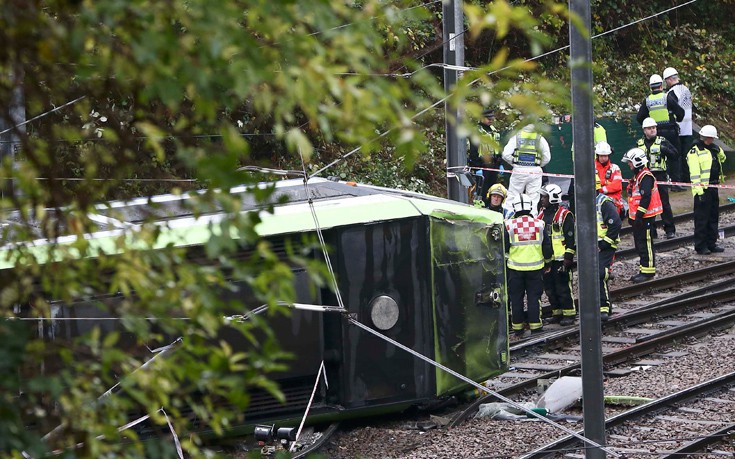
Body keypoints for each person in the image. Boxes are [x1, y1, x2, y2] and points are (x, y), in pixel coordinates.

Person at [504, 193, 552, 336]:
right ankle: (536, 326)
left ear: (514, 207)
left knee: (516, 299)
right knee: (534, 297)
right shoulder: (539, 224)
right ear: (531, 207)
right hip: (535, 268)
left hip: (515, 268)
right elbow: (547, 247)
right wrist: (548, 262)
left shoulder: (508, 225)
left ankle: (518, 328)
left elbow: (504, 247)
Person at [636, 74, 685, 186]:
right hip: (670, 131)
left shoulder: (647, 101)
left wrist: (649, 126)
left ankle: (661, 182)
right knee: (674, 156)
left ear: (650, 87)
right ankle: (676, 184)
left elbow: (639, 118)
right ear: (661, 86)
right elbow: (680, 112)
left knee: (657, 158)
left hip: (655, 133)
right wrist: (677, 119)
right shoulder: (667, 97)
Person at [538, 184, 576, 326]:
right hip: (548, 259)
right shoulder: (541, 214)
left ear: (552, 198)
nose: (542, 199)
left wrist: (568, 257)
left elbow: (571, 238)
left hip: (561, 259)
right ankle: (557, 313)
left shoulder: (564, 215)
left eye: (545, 197)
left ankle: (569, 313)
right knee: (550, 287)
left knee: (563, 287)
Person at [623, 148, 663, 283]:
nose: (629, 165)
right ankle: (643, 269)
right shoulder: (638, 176)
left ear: (637, 161)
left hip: (645, 217)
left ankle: (648, 271)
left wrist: (639, 215)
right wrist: (632, 216)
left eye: (630, 162)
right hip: (640, 217)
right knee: (640, 244)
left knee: (646, 244)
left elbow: (646, 198)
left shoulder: (645, 177)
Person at [687, 125, 726, 255]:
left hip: (713, 187)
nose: (713, 141)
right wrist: (699, 192)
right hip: (703, 190)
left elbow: (723, 159)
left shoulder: (713, 149)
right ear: (706, 138)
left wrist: (718, 150)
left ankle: (711, 243)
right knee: (702, 219)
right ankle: (700, 245)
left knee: (713, 217)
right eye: (712, 138)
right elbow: (694, 174)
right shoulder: (695, 152)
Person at [637, 117, 679, 239]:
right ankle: (651, 230)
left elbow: (675, 155)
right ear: (644, 130)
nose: (652, 130)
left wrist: (665, 150)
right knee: (648, 203)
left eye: (654, 128)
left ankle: (670, 229)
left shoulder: (662, 141)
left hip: (659, 175)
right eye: (650, 128)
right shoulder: (639, 144)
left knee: (664, 203)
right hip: (645, 176)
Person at [501, 124, 551, 215]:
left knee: (513, 196)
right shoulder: (540, 139)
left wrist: (515, 163)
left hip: (519, 171)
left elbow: (505, 154)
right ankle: (532, 220)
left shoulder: (517, 137)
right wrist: (538, 165)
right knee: (533, 199)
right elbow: (547, 157)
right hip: (535, 172)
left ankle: (508, 219)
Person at [595, 174, 622, 322]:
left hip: (605, 245)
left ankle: (604, 307)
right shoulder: (583, 202)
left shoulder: (604, 202)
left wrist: (604, 243)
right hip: (593, 246)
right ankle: (597, 305)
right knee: (592, 275)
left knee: (600, 273)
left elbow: (616, 224)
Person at [568, 122, 607, 213]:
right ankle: (575, 216)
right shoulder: (579, 128)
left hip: (592, 169)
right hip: (578, 168)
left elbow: (602, 150)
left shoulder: (598, 129)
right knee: (572, 193)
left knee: (589, 194)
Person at [664, 67, 693, 183]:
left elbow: (673, 110)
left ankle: (679, 180)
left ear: (669, 80)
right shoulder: (686, 89)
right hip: (688, 128)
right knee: (686, 156)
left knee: (677, 155)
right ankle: (687, 179)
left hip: (678, 129)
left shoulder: (672, 93)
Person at [468, 109, 502, 204]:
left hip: (493, 166)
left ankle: (489, 206)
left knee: (492, 190)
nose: (491, 120)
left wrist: (499, 163)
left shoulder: (494, 131)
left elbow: (497, 148)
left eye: (492, 118)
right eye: (488, 118)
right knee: (481, 191)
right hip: (482, 166)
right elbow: (473, 150)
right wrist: (477, 166)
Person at [594, 141, 625, 219]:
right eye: (601, 156)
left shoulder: (615, 168)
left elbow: (617, 186)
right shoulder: (591, 167)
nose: (603, 158)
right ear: (597, 155)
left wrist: (600, 189)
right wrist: (606, 184)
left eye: (605, 156)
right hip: (596, 205)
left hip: (614, 205)